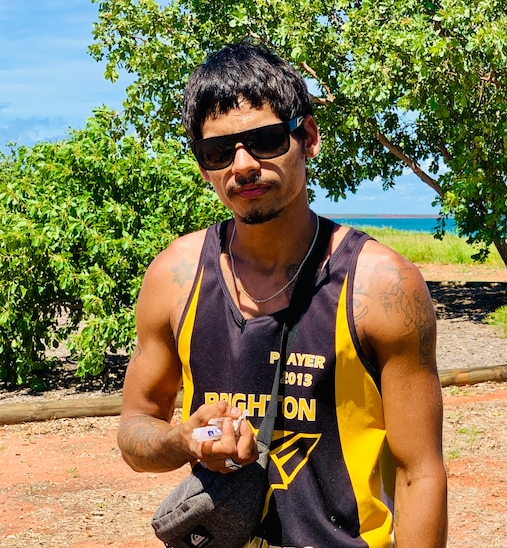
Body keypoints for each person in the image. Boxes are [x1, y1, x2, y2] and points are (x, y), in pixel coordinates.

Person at [118, 42, 448, 548]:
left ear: (308, 137)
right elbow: (136, 430)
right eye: (218, 151)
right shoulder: (174, 276)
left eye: (266, 140)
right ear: (203, 165)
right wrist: (182, 439)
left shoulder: (381, 284)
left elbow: (419, 472)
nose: (243, 165)